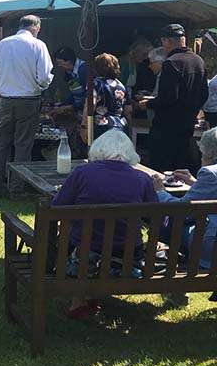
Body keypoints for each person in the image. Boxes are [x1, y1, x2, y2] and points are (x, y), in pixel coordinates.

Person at [53, 130, 157, 319]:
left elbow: (57, 209)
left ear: (98, 150)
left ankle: (79, 301)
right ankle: (93, 295)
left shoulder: (82, 173)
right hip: (127, 258)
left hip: (83, 257)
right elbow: (154, 218)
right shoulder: (142, 179)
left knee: (78, 236)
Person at [0, 15, 54, 199]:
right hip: (28, 100)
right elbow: (44, 77)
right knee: (23, 145)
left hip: (6, 99)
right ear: (36, 27)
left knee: (1, 143)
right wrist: (41, 87)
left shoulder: (4, 44)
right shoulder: (38, 45)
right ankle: (16, 188)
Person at [139, 24, 208, 173]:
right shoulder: (199, 61)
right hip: (188, 128)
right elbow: (204, 94)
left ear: (167, 41)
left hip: (166, 131)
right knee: (184, 173)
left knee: (162, 174)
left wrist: (148, 103)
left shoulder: (171, 63)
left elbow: (168, 98)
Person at [152, 127, 217, 273]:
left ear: (210, 153)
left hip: (210, 246)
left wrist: (160, 192)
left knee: (166, 220)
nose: (201, 157)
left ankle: (164, 262)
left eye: (202, 153)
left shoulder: (210, 173)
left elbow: (180, 209)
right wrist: (194, 183)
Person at [49, 46, 88, 158]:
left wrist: (70, 107)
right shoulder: (70, 72)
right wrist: (62, 106)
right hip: (77, 110)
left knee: (83, 140)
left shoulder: (83, 69)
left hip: (84, 112)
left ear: (69, 61)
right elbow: (73, 92)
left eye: (61, 63)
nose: (59, 66)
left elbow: (88, 97)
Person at [92, 53, 128, 139]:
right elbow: (128, 109)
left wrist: (84, 125)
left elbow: (91, 104)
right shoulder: (121, 86)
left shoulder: (95, 83)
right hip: (120, 126)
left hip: (101, 127)